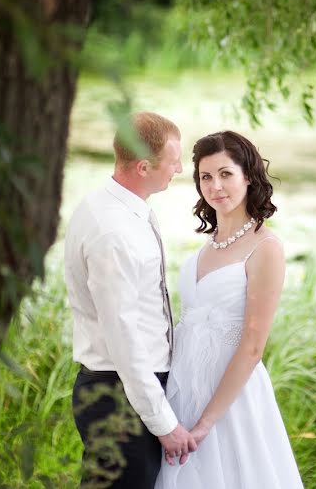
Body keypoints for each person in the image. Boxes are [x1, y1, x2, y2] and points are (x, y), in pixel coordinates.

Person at [155, 130, 303, 489]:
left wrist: (206, 423)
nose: (215, 186)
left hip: (230, 400)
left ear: (248, 177)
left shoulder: (265, 247)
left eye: (226, 174)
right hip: (183, 389)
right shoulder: (203, 250)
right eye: (206, 176)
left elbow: (253, 347)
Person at [65, 112, 197, 488]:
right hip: (120, 396)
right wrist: (163, 423)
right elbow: (123, 339)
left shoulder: (114, 208)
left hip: (127, 390)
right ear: (143, 166)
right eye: (173, 162)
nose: (179, 169)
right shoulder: (113, 232)